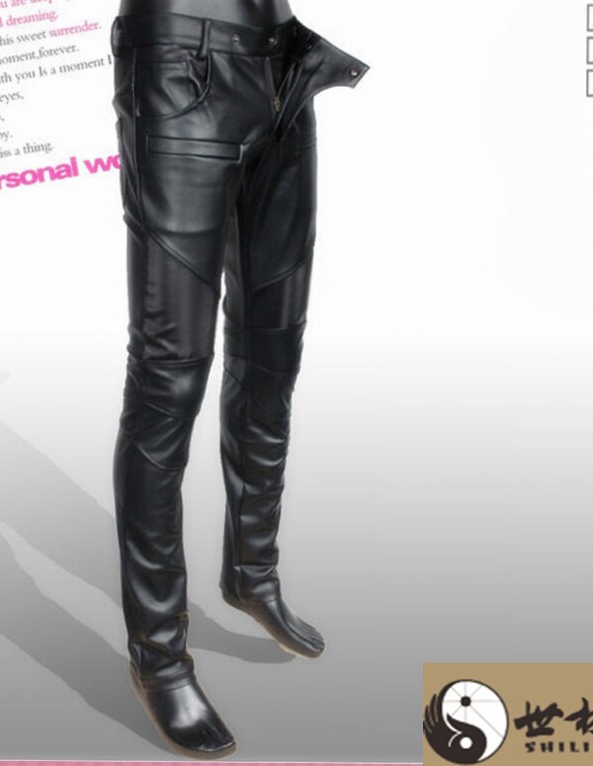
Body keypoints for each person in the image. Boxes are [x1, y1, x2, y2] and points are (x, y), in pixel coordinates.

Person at [109, 0, 369, 758]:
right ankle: (159, 659)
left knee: (272, 351)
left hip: (285, 65)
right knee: (168, 381)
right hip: (180, 67)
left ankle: (253, 573)